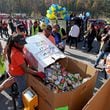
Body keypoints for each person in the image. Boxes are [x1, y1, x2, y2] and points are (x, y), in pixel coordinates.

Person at [6, 34, 45, 109]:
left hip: (13, 70)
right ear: (15, 43)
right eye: (21, 44)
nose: (23, 45)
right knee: (23, 90)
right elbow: (25, 69)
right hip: (18, 74)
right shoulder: (17, 53)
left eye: (23, 43)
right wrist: (37, 73)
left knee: (20, 87)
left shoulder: (13, 48)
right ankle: (21, 105)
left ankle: (17, 93)